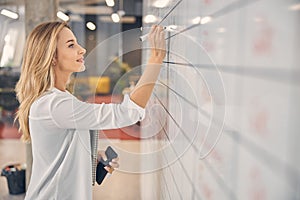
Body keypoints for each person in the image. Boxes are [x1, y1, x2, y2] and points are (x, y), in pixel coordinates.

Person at [15, 21, 166, 200]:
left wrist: (91, 158)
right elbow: (126, 113)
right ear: (52, 57)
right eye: (71, 45)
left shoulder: (59, 99)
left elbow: (59, 154)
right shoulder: (54, 104)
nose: (82, 49)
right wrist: (155, 60)